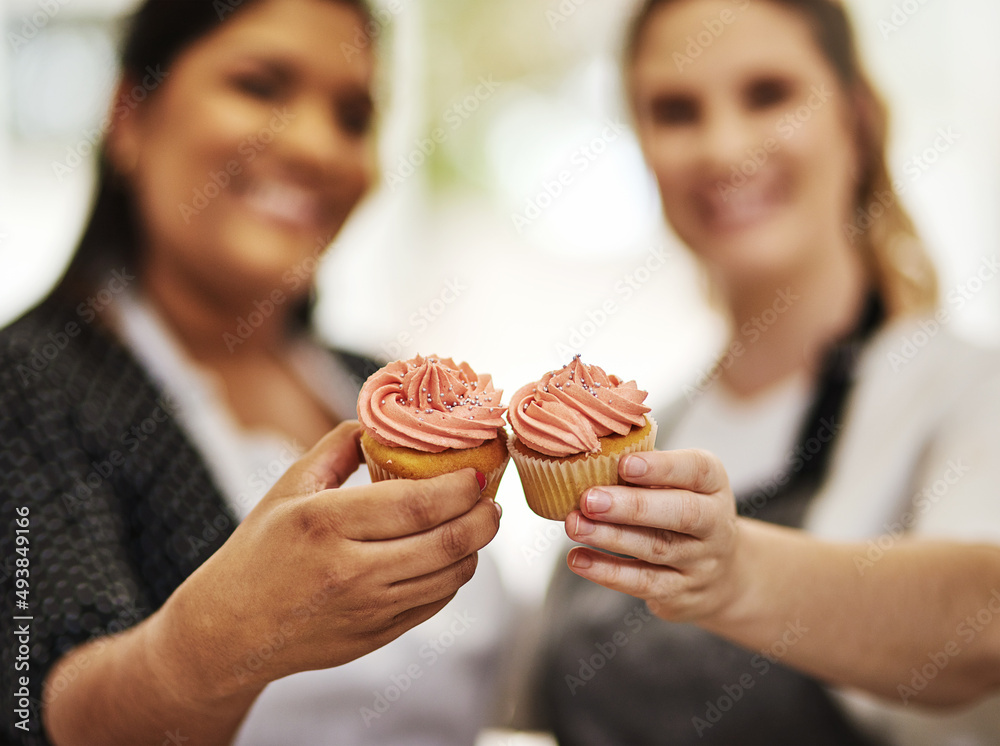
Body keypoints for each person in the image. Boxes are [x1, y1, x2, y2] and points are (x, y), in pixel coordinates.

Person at [0, 1, 507, 744]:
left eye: (352, 116)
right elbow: (33, 705)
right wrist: (210, 648)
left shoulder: (384, 389)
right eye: (260, 86)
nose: (316, 146)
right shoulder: (29, 386)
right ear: (129, 116)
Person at [525, 0, 1000, 744]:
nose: (723, 146)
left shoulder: (968, 390)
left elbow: (985, 623)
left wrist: (735, 573)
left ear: (857, 116)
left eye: (768, 94)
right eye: (676, 111)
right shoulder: (650, 427)